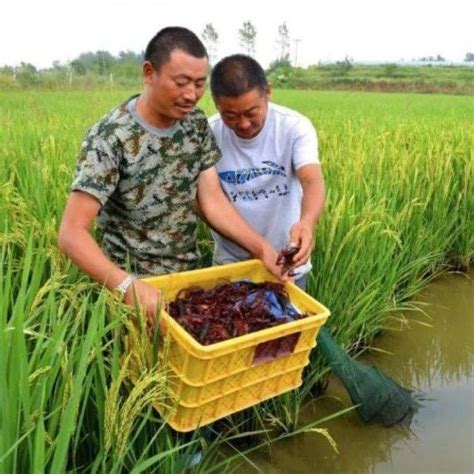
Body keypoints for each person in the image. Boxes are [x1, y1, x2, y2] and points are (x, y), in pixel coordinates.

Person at [58, 29, 284, 331]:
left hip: (187, 288)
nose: (191, 94)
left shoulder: (194, 124)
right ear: (149, 73)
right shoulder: (111, 137)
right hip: (133, 291)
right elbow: (72, 232)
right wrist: (128, 287)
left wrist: (262, 248)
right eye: (181, 82)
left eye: (200, 83)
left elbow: (211, 200)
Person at [209, 55, 326, 290]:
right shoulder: (208, 135)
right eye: (230, 116)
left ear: (268, 93)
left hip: (286, 265)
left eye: (252, 112)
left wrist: (307, 223)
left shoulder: (294, 127)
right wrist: (259, 249)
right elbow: (207, 200)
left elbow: (312, 180)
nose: (242, 123)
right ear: (215, 103)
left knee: (289, 324)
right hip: (231, 265)